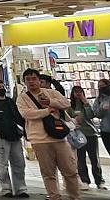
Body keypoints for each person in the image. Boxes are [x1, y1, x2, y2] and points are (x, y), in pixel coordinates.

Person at [16, 68, 80, 200]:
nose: (31, 82)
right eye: (28, 79)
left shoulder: (51, 92)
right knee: (48, 173)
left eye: (34, 79)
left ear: (39, 80)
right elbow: (26, 113)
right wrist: (47, 111)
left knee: (70, 170)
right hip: (39, 140)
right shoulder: (22, 98)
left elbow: (66, 103)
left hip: (59, 138)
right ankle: (54, 196)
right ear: (24, 82)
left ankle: (75, 196)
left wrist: (50, 102)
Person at [69, 85, 104, 190]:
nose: (78, 93)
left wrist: (86, 103)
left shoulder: (87, 104)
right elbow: (68, 117)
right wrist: (74, 120)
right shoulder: (70, 106)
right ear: (72, 93)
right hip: (78, 136)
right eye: (76, 92)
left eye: (80, 91)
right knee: (81, 159)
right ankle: (84, 180)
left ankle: (99, 181)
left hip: (90, 134)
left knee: (95, 159)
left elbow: (90, 115)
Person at [92, 78, 110, 178]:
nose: (101, 88)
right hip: (107, 131)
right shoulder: (99, 99)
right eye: (99, 87)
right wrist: (102, 108)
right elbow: (95, 114)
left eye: (103, 86)